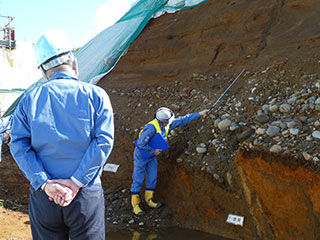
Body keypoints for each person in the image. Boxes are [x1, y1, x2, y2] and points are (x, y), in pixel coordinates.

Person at [10, 30, 114, 239]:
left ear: (42, 70)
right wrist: (76, 182)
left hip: (45, 197)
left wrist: (45, 183)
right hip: (85, 195)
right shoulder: (96, 95)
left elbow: (18, 144)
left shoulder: (29, 100)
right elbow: (103, 141)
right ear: (74, 61)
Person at [131, 107, 208, 215]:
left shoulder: (167, 124)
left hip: (152, 156)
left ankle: (149, 200)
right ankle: (135, 205)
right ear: (163, 121)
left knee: (152, 177)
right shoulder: (151, 128)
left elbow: (183, 120)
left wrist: (200, 113)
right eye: (168, 121)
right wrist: (153, 151)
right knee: (138, 178)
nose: (170, 122)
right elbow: (141, 143)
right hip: (142, 155)